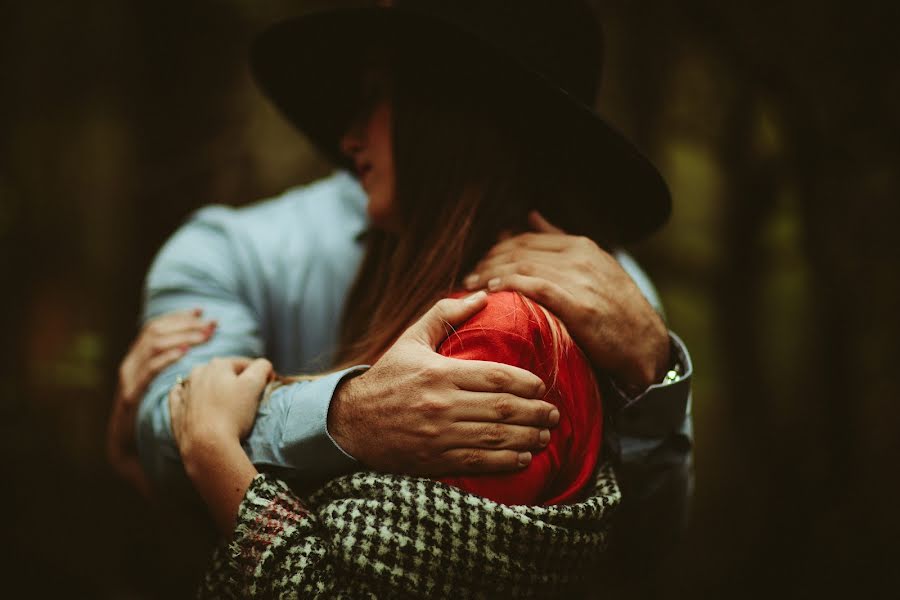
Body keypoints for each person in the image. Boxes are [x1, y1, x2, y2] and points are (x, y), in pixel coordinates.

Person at [109, 0, 693, 587]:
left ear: (451, 110)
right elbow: (167, 429)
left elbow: (637, 553)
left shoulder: (579, 309)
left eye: (374, 96)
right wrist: (344, 417)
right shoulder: (228, 252)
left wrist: (654, 371)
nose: (347, 135)